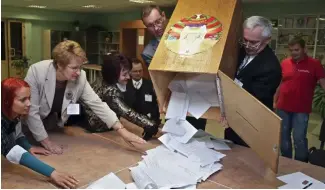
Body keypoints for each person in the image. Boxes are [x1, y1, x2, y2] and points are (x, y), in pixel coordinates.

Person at [24, 40, 145, 154]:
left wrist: (122, 132)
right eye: (74, 68)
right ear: (60, 65)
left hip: (51, 123)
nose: (78, 72)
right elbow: (32, 110)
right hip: (27, 125)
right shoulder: (37, 72)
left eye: (80, 67)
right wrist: (46, 142)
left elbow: (97, 104)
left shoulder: (80, 77)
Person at [1, 78, 78, 189]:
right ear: (6, 101)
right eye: (23, 100)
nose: (29, 103)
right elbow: (12, 151)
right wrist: (52, 173)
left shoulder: (13, 113)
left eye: (29, 98)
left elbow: (17, 134)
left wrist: (28, 147)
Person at [141, 5, 207, 131]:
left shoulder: (187, 33)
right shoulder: (148, 53)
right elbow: (161, 82)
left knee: (198, 135)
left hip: (196, 97)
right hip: (173, 100)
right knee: (175, 135)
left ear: (164, 15)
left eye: (158, 21)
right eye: (150, 25)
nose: (156, 27)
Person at [225, 16, 282, 147]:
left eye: (254, 42)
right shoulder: (241, 50)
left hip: (252, 125)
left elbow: (253, 102)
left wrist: (226, 110)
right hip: (233, 122)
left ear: (267, 40)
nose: (248, 46)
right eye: (245, 40)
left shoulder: (271, 67)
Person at [80, 54, 159, 140]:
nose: (128, 77)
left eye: (128, 73)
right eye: (125, 74)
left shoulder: (104, 79)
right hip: (97, 129)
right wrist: (150, 124)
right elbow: (127, 112)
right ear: (113, 74)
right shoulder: (109, 90)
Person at [274, 37, 325, 162]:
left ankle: (301, 164)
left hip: (301, 110)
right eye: (291, 50)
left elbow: (323, 83)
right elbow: (280, 84)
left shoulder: (315, 64)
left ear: (304, 49)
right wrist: (274, 102)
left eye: (296, 50)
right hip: (282, 107)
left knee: (299, 138)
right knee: (284, 138)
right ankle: (286, 162)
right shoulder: (285, 63)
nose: (293, 53)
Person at [124, 58, 161, 126]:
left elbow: (156, 106)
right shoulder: (125, 86)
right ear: (130, 72)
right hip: (130, 123)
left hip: (149, 122)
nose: (138, 73)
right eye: (135, 71)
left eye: (140, 71)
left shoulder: (150, 85)